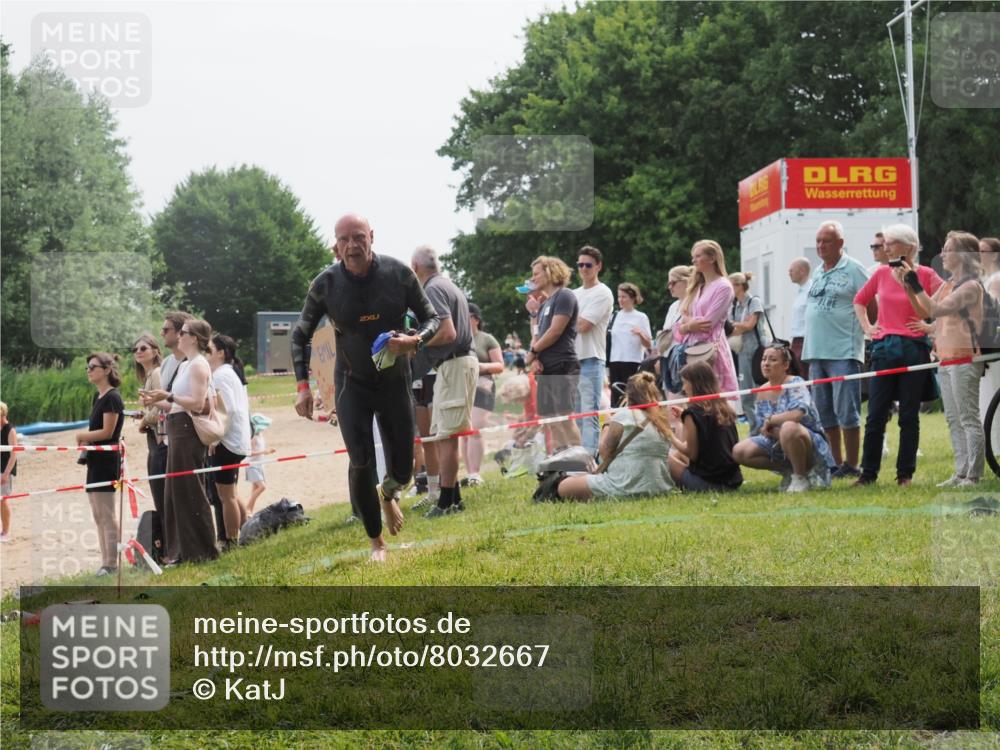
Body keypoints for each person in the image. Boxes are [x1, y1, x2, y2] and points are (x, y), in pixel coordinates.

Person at [291, 214, 440, 562]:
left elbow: (434, 318)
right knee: (360, 461)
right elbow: (300, 334)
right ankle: (377, 543)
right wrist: (303, 387)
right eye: (344, 239)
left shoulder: (398, 274)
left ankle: (389, 494)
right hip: (351, 384)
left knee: (402, 470)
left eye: (358, 237)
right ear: (335, 244)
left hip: (393, 382)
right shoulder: (325, 284)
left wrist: (415, 339)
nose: (352, 245)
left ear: (371, 237)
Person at [853, 224, 943, 487]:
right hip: (884, 349)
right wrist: (868, 328)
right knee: (876, 414)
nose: (886, 247)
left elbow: (947, 304)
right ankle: (867, 474)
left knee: (909, 415)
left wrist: (931, 327)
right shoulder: (881, 274)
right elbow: (859, 300)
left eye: (891, 243)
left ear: (909, 247)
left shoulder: (926, 274)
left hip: (914, 349)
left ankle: (905, 475)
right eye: (886, 243)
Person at [898, 231, 985, 487]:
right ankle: (960, 471)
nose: (943, 254)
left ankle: (973, 474)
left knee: (968, 417)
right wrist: (907, 285)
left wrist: (915, 283)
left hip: (965, 357)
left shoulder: (971, 286)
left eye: (949, 249)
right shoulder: (948, 284)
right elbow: (924, 311)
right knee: (953, 418)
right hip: (945, 358)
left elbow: (936, 309)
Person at [140, 319, 220, 564]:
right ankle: (184, 551)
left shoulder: (198, 365)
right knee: (176, 494)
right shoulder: (186, 365)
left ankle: (203, 550)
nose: (178, 337)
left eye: (182, 333)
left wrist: (168, 395)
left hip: (187, 432)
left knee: (190, 492)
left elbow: (196, 403)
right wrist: (155, 399)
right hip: (176, 429)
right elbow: (175, 403)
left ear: (193, 337)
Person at [409, 245, 478, 518]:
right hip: (453, 366)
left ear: (415, 267)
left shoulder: (433, 290)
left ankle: (446, 503)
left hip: (455, 364)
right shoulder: (447, 285)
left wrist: (416, 343)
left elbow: (448, 333)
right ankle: (455, 499)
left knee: (448, 438)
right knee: (443, 435)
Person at [801, 221, 869, 479]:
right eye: (818, 241)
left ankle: (852, 464)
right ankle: (835, 462)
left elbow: (870, 300)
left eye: (826, 241)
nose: (820, 246)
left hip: (843, 350)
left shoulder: (853, 269)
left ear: (840, 243)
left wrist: (870, 329)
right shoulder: (818, 271)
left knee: (846, 411)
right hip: (816, 351)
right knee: (823, 410)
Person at [555, 372, 675, 500]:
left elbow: (604, 452)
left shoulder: (624, 415)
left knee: (564, 486)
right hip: (660, 486)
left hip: (625, 484)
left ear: (628, 395)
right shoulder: (661, 420)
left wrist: (607, 423)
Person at [732, 345, 836, 492]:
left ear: (786, 365)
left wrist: (771, 420)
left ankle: (801, 477)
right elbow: (764, 428)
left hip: (807, 440)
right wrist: (769, 427)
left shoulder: (795, 383)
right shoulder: (762, 390)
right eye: (764, 359)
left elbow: (797, 414)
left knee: (789, 427)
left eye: (773, 359)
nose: (766, 363)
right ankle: (790, 471)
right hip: (776, 441)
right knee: (739, 451)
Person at [75, 353, 125, 576]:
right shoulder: (99, 397)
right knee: (97, 514)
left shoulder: (112, 398)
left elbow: (108, 432)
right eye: (88, 367)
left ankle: (112, 564)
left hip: (107, 460)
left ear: (106, 370)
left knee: (106, 512)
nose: (88, 370)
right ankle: (104, 562)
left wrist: (82, 436)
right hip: (95, 459)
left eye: (93, 367)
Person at [525, 255, 581, 452]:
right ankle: (562, 458)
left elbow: (555, 332)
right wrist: (533, 315)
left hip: (562, 364)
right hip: (545, 367)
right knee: (550, 418)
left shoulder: (565, 296)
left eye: (536, 274)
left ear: (550, 272)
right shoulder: (545, 303)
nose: (533, 279)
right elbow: (537, 334)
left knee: (565, 417)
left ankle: (578, 462)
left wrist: (533, 351)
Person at [674, 240, 739, 395]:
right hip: (692, 351)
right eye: (693, 256)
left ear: (712, 258)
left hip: (709, 351)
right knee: (694, 397)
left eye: (698, 256)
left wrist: (687, 325)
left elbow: (707, 323)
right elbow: (682, 320)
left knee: (711, 396)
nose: (693, 260)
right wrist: (690, 325)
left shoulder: (723, 286)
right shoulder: (697, 287)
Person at [667, 361, 743, 492]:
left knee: (666, 458)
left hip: (710, 483)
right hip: (732, 480)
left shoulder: (693, 413)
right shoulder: (724, 407)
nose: (683, 389)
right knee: (678, 454)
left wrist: (669, 434)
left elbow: (692, 453)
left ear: (695, 384)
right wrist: (684, 420)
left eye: (685, 382)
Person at [207, 333, 252, 545]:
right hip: (237, 440)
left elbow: (229, 409)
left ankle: (231, 542)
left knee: (226, 497)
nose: (205, 355)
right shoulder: (230, 372)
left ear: (221, 353)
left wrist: (216, 438)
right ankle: (249, 527)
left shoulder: (221, 375)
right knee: (230, 493)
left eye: (208, 350)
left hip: (228, 442)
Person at [571, 246, 614, 454]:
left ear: (598, 266)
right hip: (572, 361)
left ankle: (590, 461)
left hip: (591, 359)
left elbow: (583, 325)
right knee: (577, 415)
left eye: (588, 265)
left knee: (589, 415)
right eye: (580, 265)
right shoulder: (573, 294)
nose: (584, 269)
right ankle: (582, 459)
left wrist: (564, 320)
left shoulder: (603, 292)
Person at [131, 333, 164, 559]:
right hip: (154, 438)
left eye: (143, 348)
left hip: (161, 440)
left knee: (161, 493)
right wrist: (143, 414)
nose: (139, 352)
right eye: (136, 350)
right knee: (157, 492)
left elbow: (161, 407)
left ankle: (168, 544)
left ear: (154, 351)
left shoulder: (158, 374)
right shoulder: (148, 376)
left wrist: (144, 420)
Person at [462, 303, 503, 487]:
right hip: (463, 388)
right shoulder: (460, 339)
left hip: (484, 387)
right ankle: (469, 473)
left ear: (476, 319)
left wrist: (480, 367)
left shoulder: (487, 339)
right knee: (463, 431)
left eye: (466, 314)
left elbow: (499, 365)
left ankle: (475, 473)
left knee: (475, 429)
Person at [728, 271, 770, 434]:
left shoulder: (754, 301)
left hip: (757, 351)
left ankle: (766, 426)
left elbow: (749, 325)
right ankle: (755, 430)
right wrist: (736, 326)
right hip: (741, 352)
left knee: (760, 389)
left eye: (732, 285)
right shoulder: (734, 306)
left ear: (740, 286)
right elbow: (735, 328)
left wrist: (734, 326)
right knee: (746, 394)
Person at [608, 283, 652, 407]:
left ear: (633, 298)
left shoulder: (641, 317)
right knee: (616, 395)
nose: (620, 300)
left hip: (632, 361)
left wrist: (640, 334)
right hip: (615, 360)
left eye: (624, 297)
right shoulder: (614, 316)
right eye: (619, 297)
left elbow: (648, 343)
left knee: (632, 393)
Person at [979, 237, 1000, 454]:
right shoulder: (984, 279)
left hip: (994, 345)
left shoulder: (996, 280)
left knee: (994, 395)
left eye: (982, 251)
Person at [786, 258, 811, 380]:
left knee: (804, 378)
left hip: (806, 342)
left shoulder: (810, 290)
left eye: (792, 270)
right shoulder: (801, 292)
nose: (789, 273)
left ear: (802, 271)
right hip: (797, 341)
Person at [245, 414, 275, 514]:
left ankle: (249, 511)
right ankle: (247, 508)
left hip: (259, 465)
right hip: (252, 465)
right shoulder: (252, 438)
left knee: (255, 489)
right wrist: (264, 452)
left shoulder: (260, 435)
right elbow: (249, 452)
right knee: (262, 487)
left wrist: (266, 451)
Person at [1, 401, 17, 543]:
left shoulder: (10, 430)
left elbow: (14, 454)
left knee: (3, 500)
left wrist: (6, 474)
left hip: (5, 469)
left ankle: (5, 532)